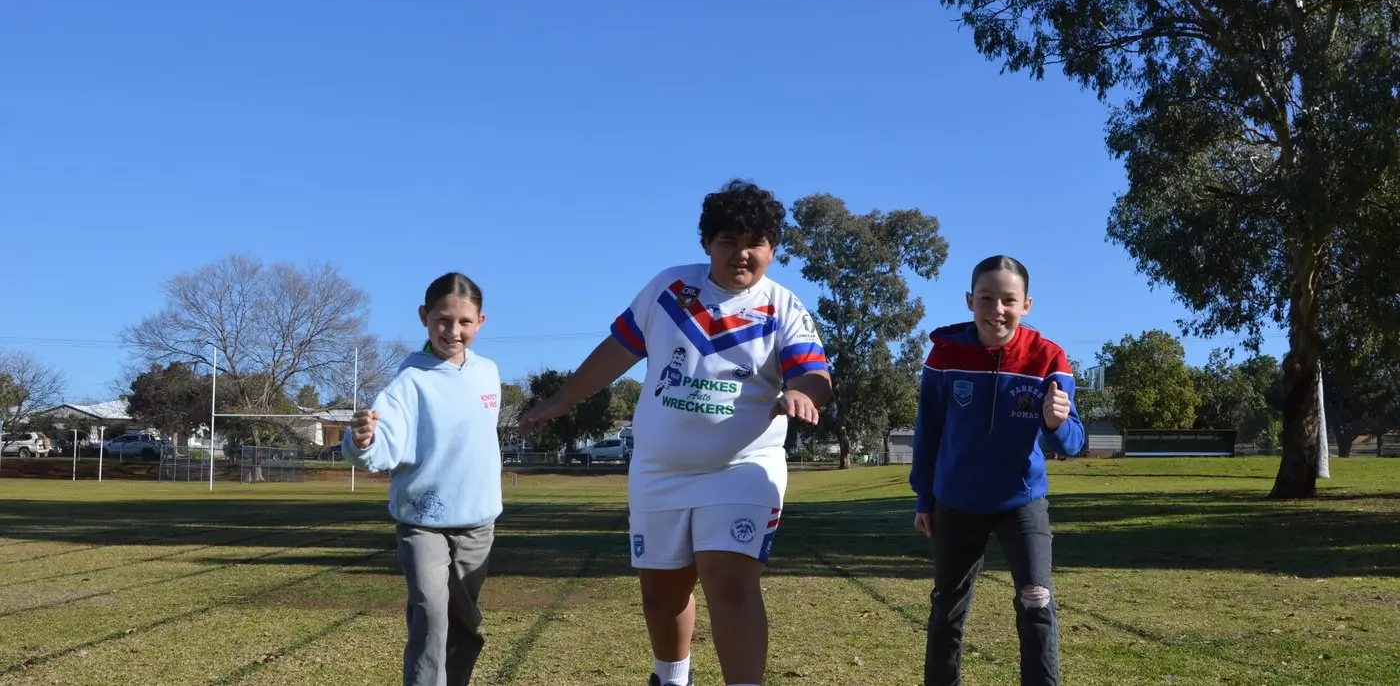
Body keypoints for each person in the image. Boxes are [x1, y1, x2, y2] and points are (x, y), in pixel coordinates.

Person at [519, 180, 832, 686]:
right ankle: (671, 679)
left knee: (730, 582)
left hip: (742, 468)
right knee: (662, 591)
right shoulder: (670, 289)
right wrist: (562, 400)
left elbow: (815, 374)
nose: (742, 253)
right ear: (707, 243)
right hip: (659, 470)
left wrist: (802, 392)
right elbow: (615, 352)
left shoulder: (783, 307)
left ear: (773, 249)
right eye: (728, 241)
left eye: (755, 242)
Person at [909, 254, 1086, 686]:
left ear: (1027, 305)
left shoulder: (1049, 358)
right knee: (947, 607)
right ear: (970, 300)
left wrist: (1056, 423)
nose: (997, 310)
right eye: (986, 298)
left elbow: (1072, 443)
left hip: (1021, 502)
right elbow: (928, 431)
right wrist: (924, 498)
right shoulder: (945, 354)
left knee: (1036, 602)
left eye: (1009, 300)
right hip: (957, 501)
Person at [343, 272, 502, 686]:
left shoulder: (488, 373)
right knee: (430, 613)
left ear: (481, 322)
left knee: (464, 622)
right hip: (422, 522)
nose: (453, 331)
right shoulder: (409, 382)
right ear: (424, 317)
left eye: (465, 322)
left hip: (478, 523)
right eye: (443, 321)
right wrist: (363, 440)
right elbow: (384, 443)